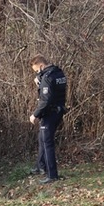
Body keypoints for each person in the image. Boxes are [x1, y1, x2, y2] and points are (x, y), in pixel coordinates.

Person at [28, 55, 68, 184]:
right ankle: (41, 166)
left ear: (40, 65)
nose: (37, 73)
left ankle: (52, 175)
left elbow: (46, 100)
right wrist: (39, 81)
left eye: (36, 70)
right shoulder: (58, 72)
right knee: (42, 138)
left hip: (49, 114)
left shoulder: (47, 77)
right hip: (59, 110)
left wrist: (35, 115)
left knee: (47, 143)